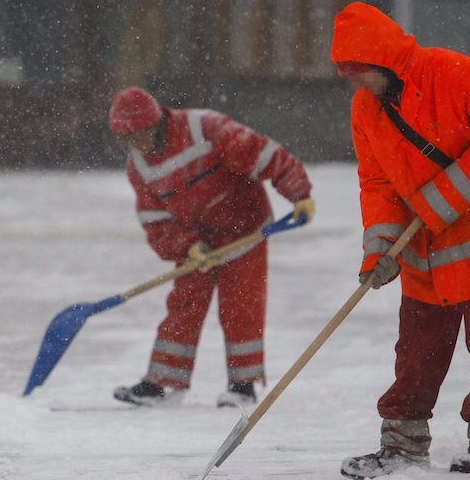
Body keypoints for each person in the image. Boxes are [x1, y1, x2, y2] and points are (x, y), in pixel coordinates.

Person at [330, 2, 470, 478]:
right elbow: (377, 183)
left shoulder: (456, 74)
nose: (355, 85)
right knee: (416, 353)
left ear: (381, 60)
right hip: (422, 253)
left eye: (358, 73)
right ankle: (401, 446)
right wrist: (379, 249)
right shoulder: (366, 108)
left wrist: (436, 202)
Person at [108, 87, 315, 408]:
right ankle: (163, 382)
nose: (134, 145)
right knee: (184, 303)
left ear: (154, 124)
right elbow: (155, 220)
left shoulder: (203, 128)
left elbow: (264, 155)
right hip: (198, 240)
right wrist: (188, 246)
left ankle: (243, 385)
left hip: (243, 226)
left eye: (137, 136)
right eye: (125, 140)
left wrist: (299, 194)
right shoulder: (140, 167)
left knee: (241, 304)